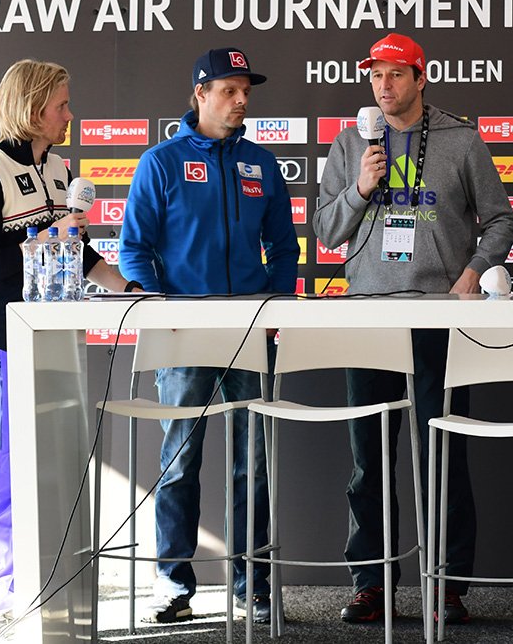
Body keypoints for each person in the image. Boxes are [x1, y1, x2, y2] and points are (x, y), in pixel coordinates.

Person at [314, 32, 513, 625]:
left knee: (441, 452)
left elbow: (501, 220)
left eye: (396, 74)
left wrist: (473, 273)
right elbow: (325, 231)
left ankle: (447, 583)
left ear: (420, 78)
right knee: (368, 459)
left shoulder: (461, 139)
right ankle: (371, 582)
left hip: (438, 316)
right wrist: (360, 188)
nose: (384, 85)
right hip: (369, 317)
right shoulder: (351, 142)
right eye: (376, 75)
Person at [118, 47, 299, 624]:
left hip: (248, 329)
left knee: (254, 463)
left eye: (246, 91)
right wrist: (162, 309)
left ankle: (253, 585)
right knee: (179, 460)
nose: (242, 100)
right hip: (185, 332)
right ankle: (173, 582)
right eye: (229, 90)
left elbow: (285, 248)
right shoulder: (161, 162)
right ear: (200, 93)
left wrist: (273, 304)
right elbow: (133, 249)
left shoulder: (261, 163)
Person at [0, 59, 132, 640]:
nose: (69, 115)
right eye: (61, 105)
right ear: (34, 111)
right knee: (8, 467)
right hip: (10, 343)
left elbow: (79, 253)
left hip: (62, 342)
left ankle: (48, 594)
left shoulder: (61, 169)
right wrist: (40, 242)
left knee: (56, 468)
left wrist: (128, 288)